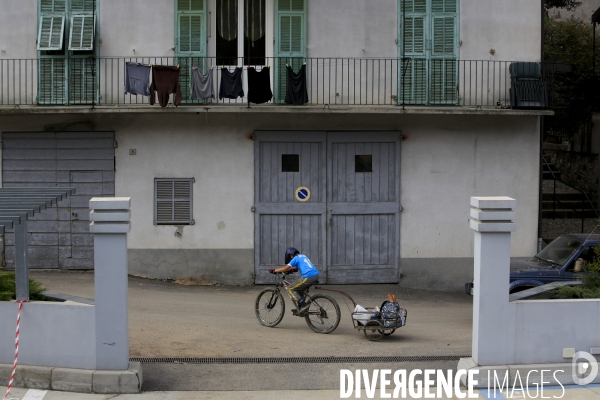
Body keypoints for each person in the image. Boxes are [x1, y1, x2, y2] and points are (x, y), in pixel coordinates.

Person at [269, 247, 319, 313]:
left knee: (290, 289)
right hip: (315, 275)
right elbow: (299, 267)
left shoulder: (295, 258)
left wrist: (275, 270)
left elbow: (285, 269)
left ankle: (303, 305)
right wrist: (290, 270)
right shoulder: (303, 256)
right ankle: (300, 307)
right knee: (298, 289)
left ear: (290, 255)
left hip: (308, 276)